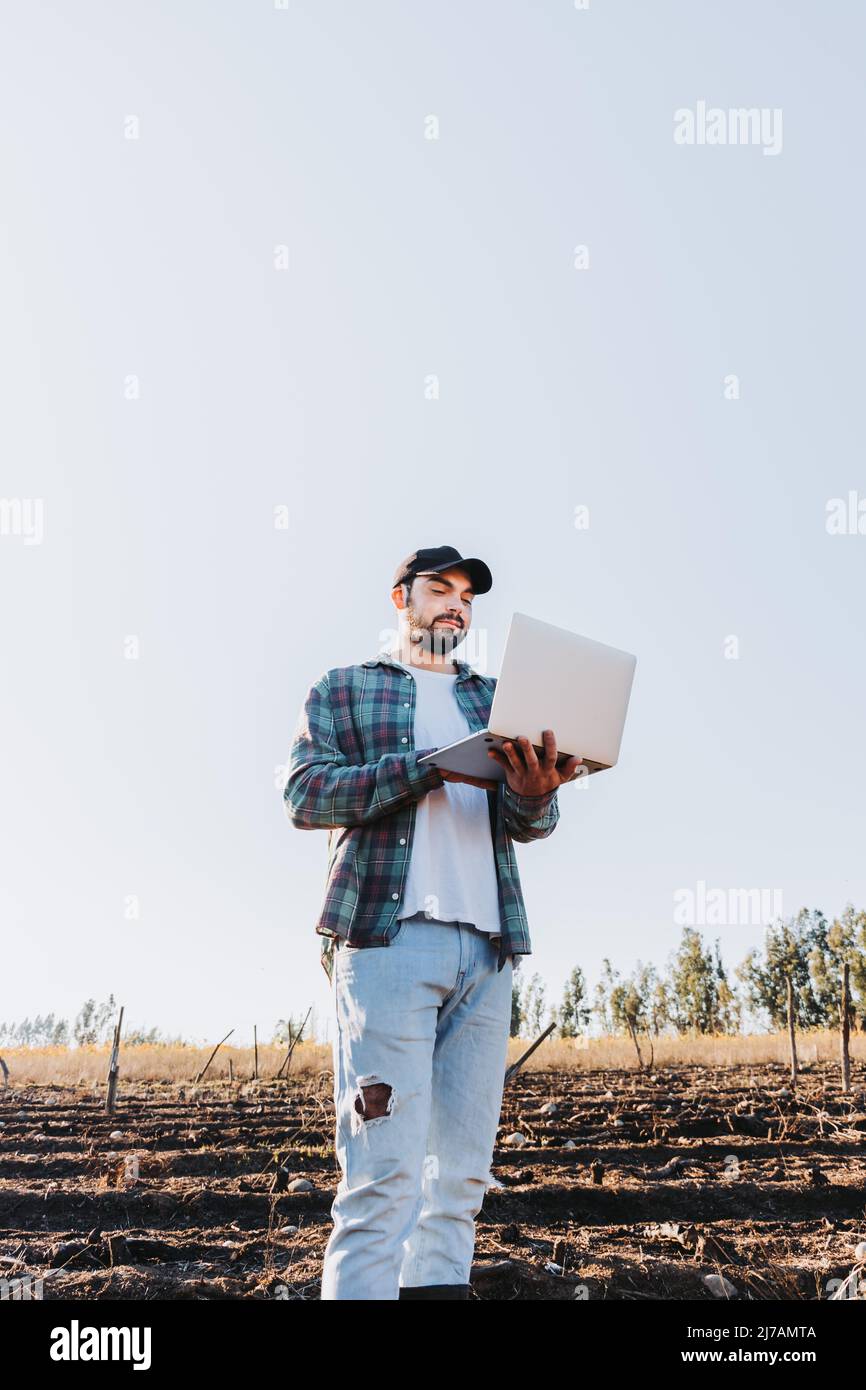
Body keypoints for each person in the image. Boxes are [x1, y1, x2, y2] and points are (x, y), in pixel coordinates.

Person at [284, 545, 582, 1300]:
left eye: (467, 597)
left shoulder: (496, 704)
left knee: (457, 1180)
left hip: (487, 953)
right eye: (439, 589)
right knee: (382, 1176)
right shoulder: (345, 689)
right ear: (400, 600)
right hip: (387, 944)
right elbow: (305, 796)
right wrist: (423, 767)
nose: (456, 604)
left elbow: (525, 823)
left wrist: (538, 790)